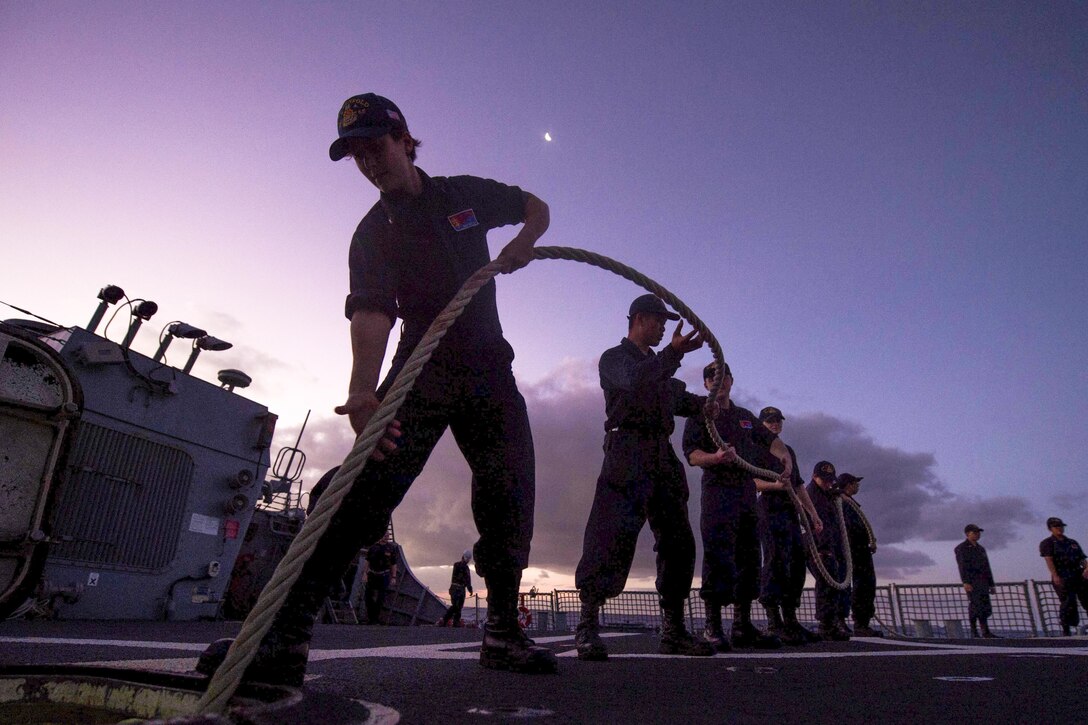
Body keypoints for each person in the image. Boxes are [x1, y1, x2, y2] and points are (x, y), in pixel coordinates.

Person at [198, 93, 555, 684]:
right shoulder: (373, 233)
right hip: (424, 368)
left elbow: (534, 206)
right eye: (356, 154)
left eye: (376, 145)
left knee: (510, 486)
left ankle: (502, 631)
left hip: (490, 369)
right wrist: (363, 391)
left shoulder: (464, 194)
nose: (368, 161)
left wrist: (525, 242)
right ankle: (283, 631)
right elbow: (370, 313)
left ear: (405, 140)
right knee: (363, 483)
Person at [573, 294, 711, 661]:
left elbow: (687, 403)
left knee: (679, 541)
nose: (664, 327)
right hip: (626, 448)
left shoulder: (664, 369)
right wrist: (674, 354)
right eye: (658, 320)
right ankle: (587, 623)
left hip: (661, 454)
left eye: (665, 322)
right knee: (609, 535)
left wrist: (712, 402)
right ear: (638, 319)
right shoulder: (614, 359)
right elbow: (634, 383)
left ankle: (673, 630)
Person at [682, 363, 791, 652]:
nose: (719, 381)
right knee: (718, 555)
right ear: (706, 384)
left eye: (724, 376)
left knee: (749, 557)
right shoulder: (700, 414)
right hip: (718, 492)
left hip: (745, 494)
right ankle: (713, 625)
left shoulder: (745, 417)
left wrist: (785, 459)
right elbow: (692, 455)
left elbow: (772, 442)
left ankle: (742, 625)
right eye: (712, 377)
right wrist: (716, 457)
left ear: (730, 381)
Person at [754, 406, 823, 645]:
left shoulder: (788, 451)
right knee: (776, 560)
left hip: (790, 511)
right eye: (770, 421)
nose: (774, 424)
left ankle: (791, 620)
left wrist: (812, 513)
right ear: (762, 424)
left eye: (777, 421)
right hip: (769, 509)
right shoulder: (756, 449)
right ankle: (774, 622)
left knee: (796, 563)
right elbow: (752, 481)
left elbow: (799, 485)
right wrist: (775, 486)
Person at [805, 461, 850, 641]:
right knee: (826, 584)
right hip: (819, 547)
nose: (828, 483)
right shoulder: (812, 496)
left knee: (832, 584)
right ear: (815, 477)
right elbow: (815, 524)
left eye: (830, 480)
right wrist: (822, 549)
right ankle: (826, 625)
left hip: (829, 547)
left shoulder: (825, 495)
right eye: (824, 480)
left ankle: (831, 623)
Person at [839, 473, 881, 637]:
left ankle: (860, 622)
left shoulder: (848, 504)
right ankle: (860, 623)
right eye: (855, 483)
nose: (857, 486)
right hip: (856, 550)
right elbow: (850, 528)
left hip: (858, 549)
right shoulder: (845, 504)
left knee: (863, 585)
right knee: (863, 585)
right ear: (849, 485)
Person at [1039, 517, 1088, 636]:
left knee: (1087, 600)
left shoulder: (1072, 542)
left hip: (1078, 575)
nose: (1059, 528)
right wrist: (1055, 576)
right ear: (1051, 528)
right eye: (1056, 526)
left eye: (1061, 526)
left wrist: (1087, 568)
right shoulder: (1047, 543)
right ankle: (1066, 630)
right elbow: (1049, 560)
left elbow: (1082, 558)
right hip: (1063, 575)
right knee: (1067, 602)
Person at [954, 524, 997, 638]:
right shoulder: (962, 548)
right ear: (968, 534)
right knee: (975, 606)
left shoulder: (980, 548)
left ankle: (985, 631)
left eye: (978, 532)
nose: (978, 534)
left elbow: (987, 567)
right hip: (972, 581)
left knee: (984, 606)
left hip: (983, 581)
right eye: (975, 532)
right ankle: (974, 632)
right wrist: (966, 582)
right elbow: (962, 566)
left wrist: (991, 584)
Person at [363, 534, 399, 624]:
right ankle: (370, 618)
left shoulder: (391, 548)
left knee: (381, 598)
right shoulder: (373, 547)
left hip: (384, 575)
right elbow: (367, 561)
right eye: (384, 536)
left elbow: (393, 564)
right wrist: (365, 573)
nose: (386, 537)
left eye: (387, 536)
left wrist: (393, 577)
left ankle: (375, 618)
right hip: (372, 574)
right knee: (368, 597)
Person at [439, 550, 475, 627]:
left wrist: (469, 588)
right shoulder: (462, 567)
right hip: (458, 588)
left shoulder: (459, 566)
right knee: (456, 606)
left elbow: (467, 579)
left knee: (458, 606)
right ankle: (446, 620)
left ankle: (453, 621)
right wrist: (469, 588)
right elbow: (466, 579)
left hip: (457, 588)